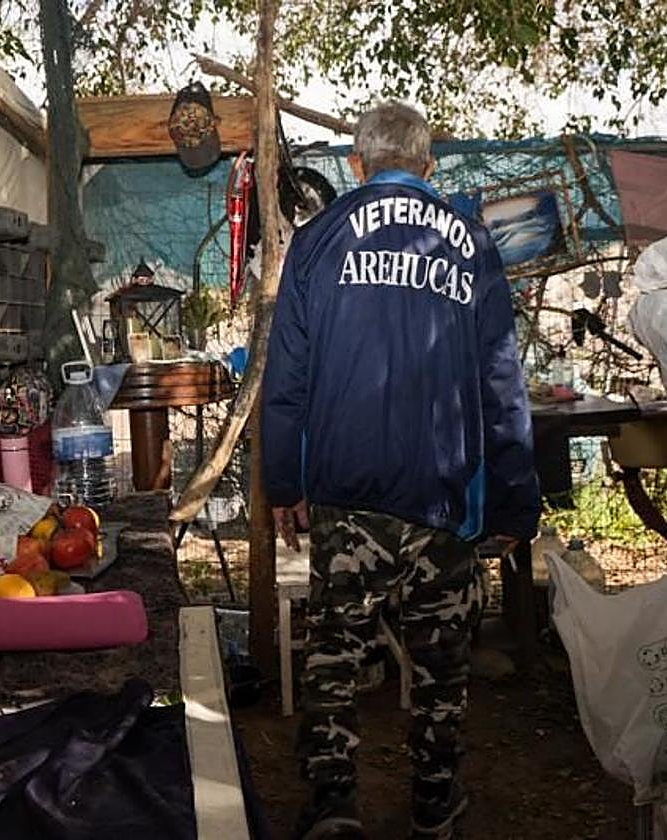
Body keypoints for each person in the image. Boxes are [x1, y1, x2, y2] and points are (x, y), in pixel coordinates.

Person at [262, 101, 541, 840]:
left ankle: (333, 805)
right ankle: (435, 803)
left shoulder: (318, 239)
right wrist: (515, 504)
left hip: (345, 491)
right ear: (428, 166)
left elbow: (285, 379)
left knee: (334, 652)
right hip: (442, 493)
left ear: (357, 165)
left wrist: (283, 484)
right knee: (442, 665)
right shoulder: (473, 244)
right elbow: (501, 385)